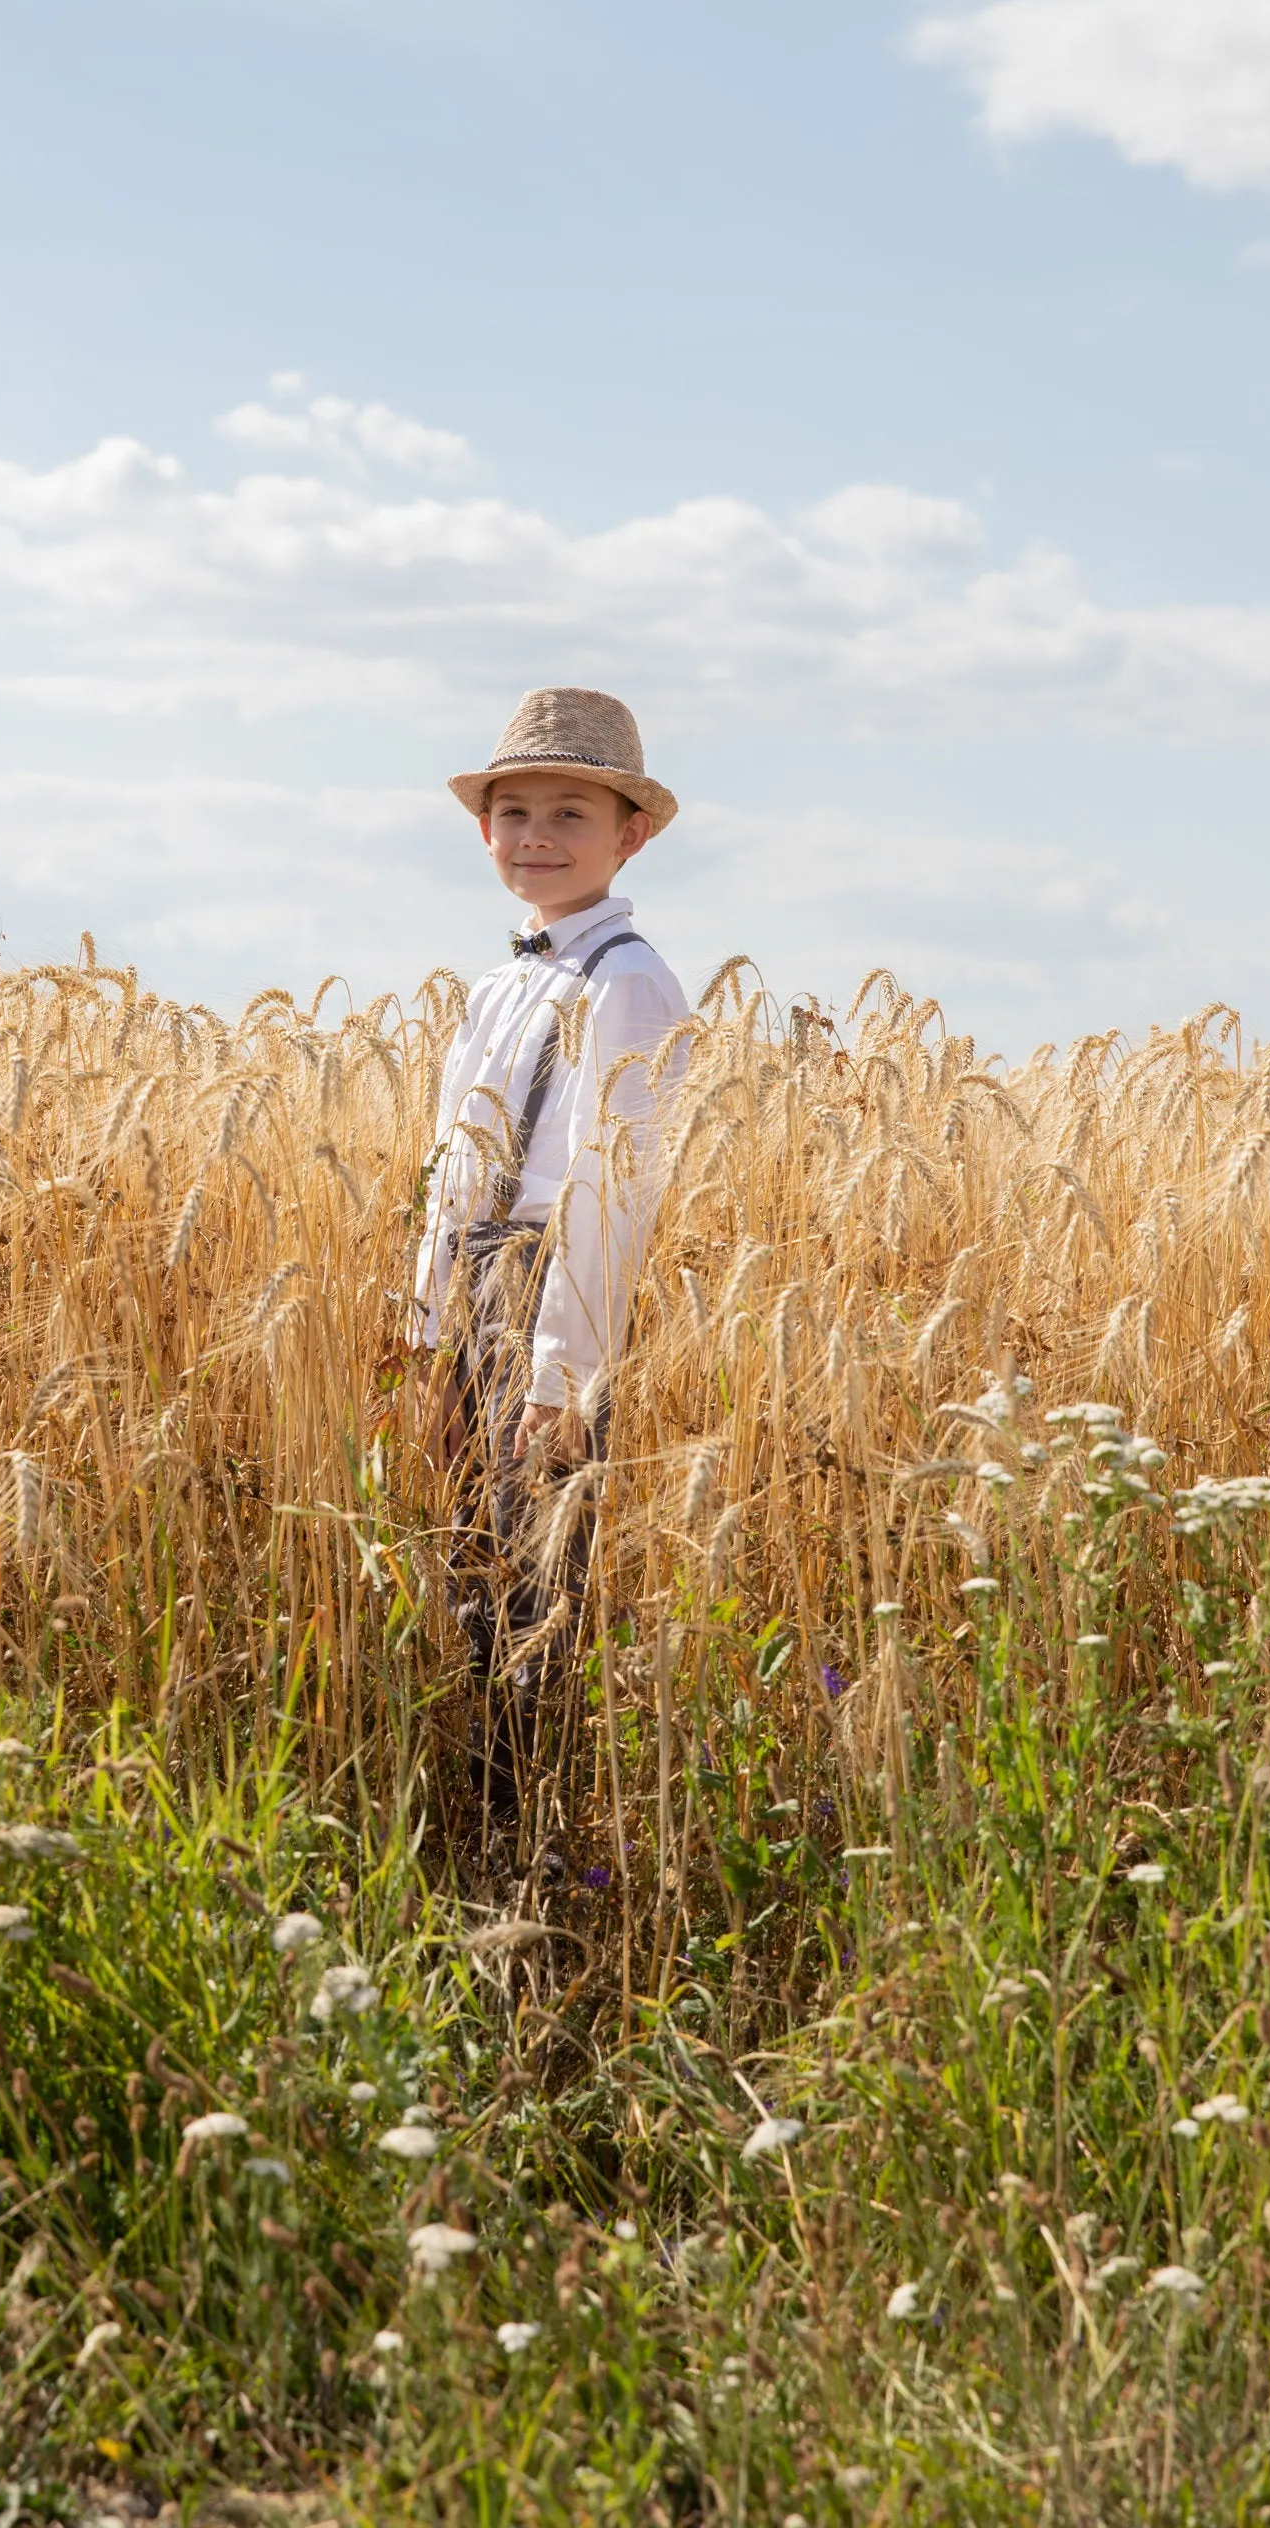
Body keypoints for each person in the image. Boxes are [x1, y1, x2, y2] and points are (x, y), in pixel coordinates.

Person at [410, 686, 689, 1804]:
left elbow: (603, 1197)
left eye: (569, 814)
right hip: (472, 1292)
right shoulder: (503, 979)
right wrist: (423, 1327)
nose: (533, 836)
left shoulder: (626, 984)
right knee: (464, 1561)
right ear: (484, 832)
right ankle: (473, 1791)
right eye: (512, 812)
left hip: (542, 1298)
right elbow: (451, 1172)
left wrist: (559, 1377)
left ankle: (523, 1807)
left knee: (534, 1576)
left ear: (630, 835)